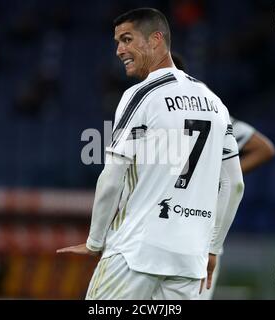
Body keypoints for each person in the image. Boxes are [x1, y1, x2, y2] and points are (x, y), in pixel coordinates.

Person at [57, 8, 244, 300]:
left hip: (135, 252)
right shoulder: (215, 103)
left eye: (127, 39)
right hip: (189, 260)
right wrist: (213, 248)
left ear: (156, 39)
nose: (119, 50)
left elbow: (112, 176)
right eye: (118, 42)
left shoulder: (142, 95)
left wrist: (95, 241)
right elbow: (234, 185)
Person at [171, 52, 275, 299]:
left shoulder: (208, 113)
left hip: (187, 233)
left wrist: (216, 176)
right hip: (186, 232)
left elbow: (263, 149)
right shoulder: (211, 112)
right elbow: (264, 149)